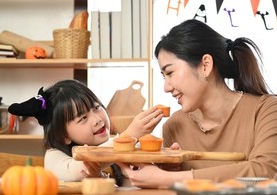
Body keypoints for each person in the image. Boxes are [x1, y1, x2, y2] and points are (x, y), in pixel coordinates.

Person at [118, 19, 277, 189]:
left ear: (205, 65)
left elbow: (263, 172)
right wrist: (163, 172)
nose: (166, 87)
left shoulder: (269, 110)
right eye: (164, 77)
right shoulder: (174, 125)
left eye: (170, 72)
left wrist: (168, 179)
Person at [8, 79, 163, 184]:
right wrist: (129, 136)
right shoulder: (54, 155)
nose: (97, 119)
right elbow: (78, 170)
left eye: (96, 108)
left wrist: (163, 167)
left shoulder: (112, 145)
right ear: (63, 135)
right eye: (82, 118)